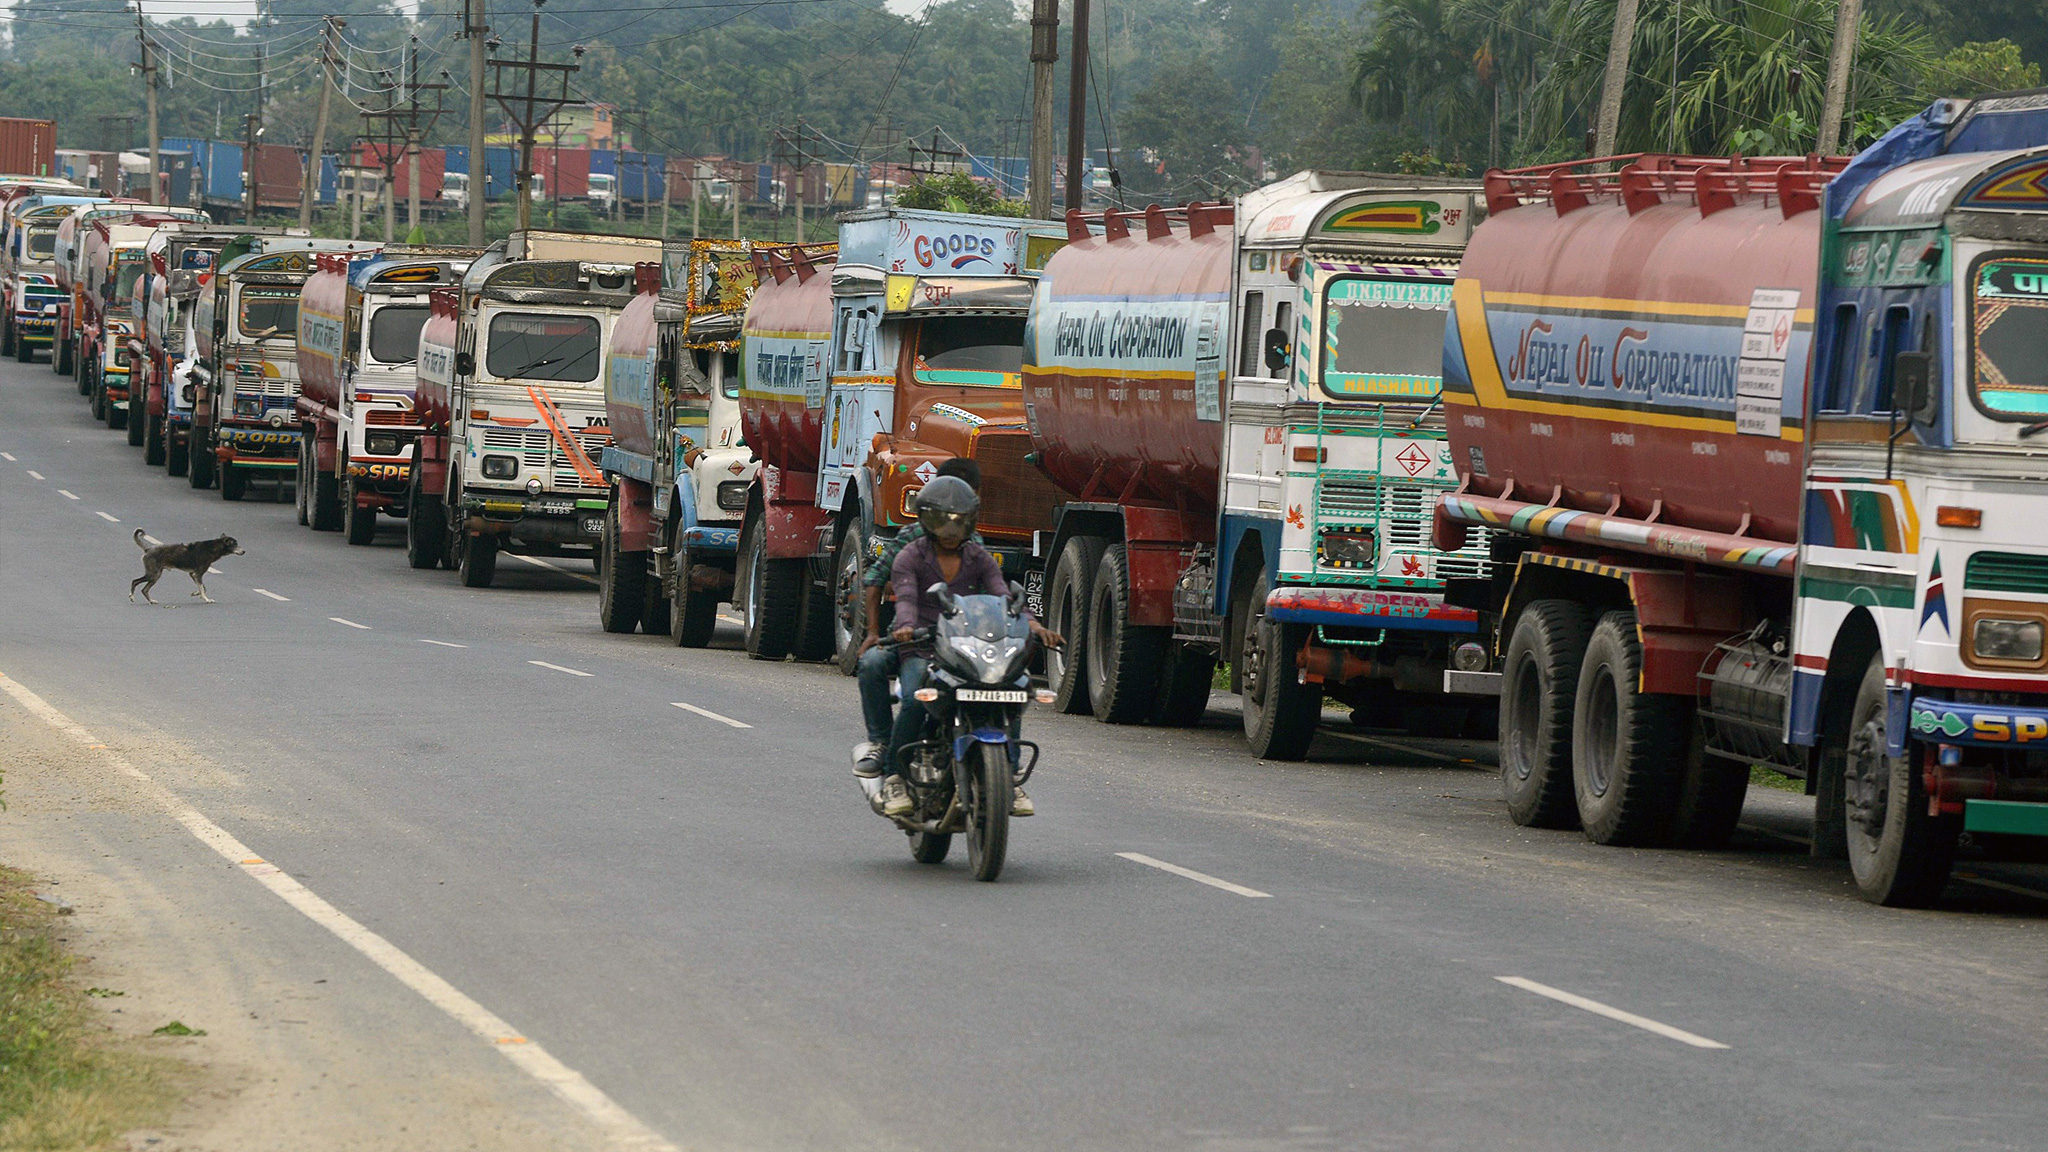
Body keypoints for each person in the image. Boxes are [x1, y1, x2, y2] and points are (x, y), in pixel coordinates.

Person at [874, 474, 1057, 819]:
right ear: (928, 519)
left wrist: (1032, 624)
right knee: (915, 697)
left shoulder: (979, 557)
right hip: (922, 647)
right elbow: (907, 598)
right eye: (943, 520)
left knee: (1013, 689)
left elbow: (1002, 596)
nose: (951, 529)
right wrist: (906, 627)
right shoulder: (909, 557)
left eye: (959, 521)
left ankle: (1010, 775)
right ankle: (894, 775)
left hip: (965, 646)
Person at [852, 457, 983, 778]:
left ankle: (1004, 766)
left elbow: (994, 595)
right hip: (912, 641)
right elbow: (874, 579)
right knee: (870, 664)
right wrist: (872, 632)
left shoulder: (974, 545)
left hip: (957, 645)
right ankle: (882, 744)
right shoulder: (911, 538)